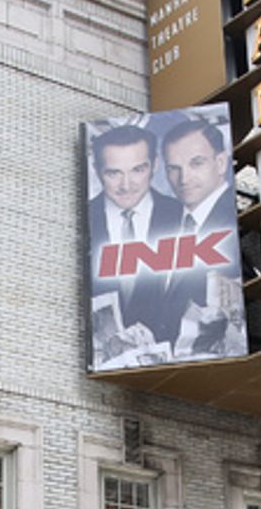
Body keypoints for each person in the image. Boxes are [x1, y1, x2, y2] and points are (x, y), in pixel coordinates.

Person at [87, 122, 185, 348]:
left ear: (155, 166)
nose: (126, 185)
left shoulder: (183, 216)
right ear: (96, 170)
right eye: (113, 173)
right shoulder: (83, 218)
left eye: (138, 170)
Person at [159, 118, 246, 356]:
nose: (184, 178)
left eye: (196, 163)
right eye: (173, 168)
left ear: (220, 163)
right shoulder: (161, 219)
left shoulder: (240, 218)